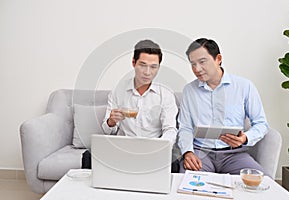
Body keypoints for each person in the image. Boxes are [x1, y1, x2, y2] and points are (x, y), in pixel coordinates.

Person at [82, 39, 179, 171]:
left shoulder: (165, 94)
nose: (147, 72)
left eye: (153, 67)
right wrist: (111, 121)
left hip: (152, 149)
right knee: (88, 156)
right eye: (143, 65)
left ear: (158, 67)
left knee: (173, 162)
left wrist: (158, 148)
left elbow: (170, 130)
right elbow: (108, 130)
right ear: (133, 62)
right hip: (123, 147)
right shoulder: (118, 91)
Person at [177, 38, 269, 175]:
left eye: (202, 62)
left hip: (234, 155)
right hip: (200, 154)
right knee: (188, 183)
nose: (197, 69)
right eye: (193, 64)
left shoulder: (244, 86)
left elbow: (261, 124)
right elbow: (185, 127)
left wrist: (245, 138)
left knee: (262, 182)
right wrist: (188, 152)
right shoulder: (189, 90)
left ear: (218, 59)